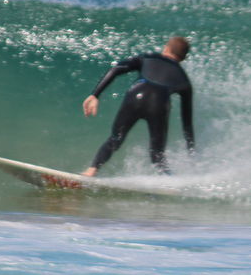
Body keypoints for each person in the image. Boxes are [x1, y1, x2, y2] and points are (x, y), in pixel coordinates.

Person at [81, 35, 195, 176]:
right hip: (159, 104)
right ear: (183, 58)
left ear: (166, 48)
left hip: (136, 95)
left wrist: (95, 95)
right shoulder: (184, 80)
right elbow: (187, 122)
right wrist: (191, 149)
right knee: (157, 154)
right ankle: (167, 182)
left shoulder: (147, 57)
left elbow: (116, 69)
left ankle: (91, 170)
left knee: (115, 139)